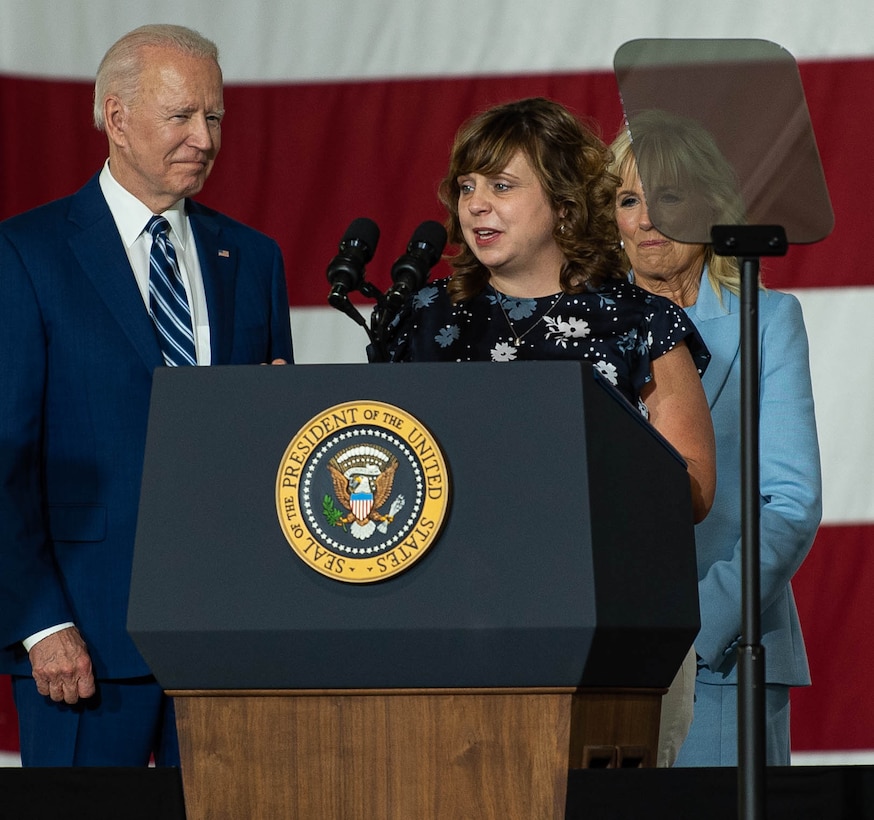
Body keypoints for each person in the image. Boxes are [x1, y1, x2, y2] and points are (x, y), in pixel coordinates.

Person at [383, 97, 716, 766]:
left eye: (502, 186)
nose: (476, 204)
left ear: (564, 203)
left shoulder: (638, 321)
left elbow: (692, 489)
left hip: (605, 625)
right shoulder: (418, 318)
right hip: (448, 623)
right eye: (467, 187)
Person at [0, 24, 294, 767]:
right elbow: (5, 457)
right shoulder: (25, 255)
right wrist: (41, 624)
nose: (204, 137)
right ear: (116, 116)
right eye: (182, 116)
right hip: (85, 644)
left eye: (215, 117)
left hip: (232, 643)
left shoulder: (252, 259)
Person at [609, 109, 822, 766]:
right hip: (598, 658)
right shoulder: (578, 325)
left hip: (720, 658)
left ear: (710, 203)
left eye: (668, 196)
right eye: (627, 199)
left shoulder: (768, 317)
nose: (645, 220)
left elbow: (790, 502)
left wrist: (693, 628)